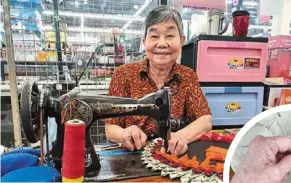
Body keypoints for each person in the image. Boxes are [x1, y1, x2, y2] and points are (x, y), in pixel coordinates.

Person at [105, 6, 212, 156]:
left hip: (171, 153)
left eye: (169, 35)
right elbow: (110, 128)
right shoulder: (123, 75)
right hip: (132, 153)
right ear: (144, 42)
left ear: (181, 41)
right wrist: (124, 134)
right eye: (154, 36)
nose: (162, 43)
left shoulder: (188, 76)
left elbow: (205, 120)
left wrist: (181, 136)